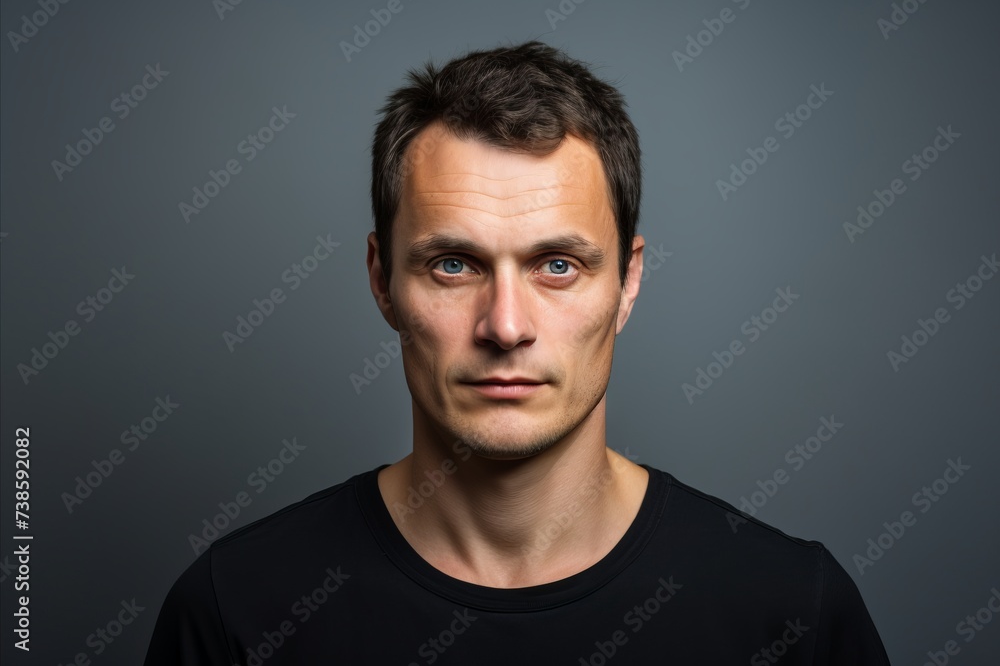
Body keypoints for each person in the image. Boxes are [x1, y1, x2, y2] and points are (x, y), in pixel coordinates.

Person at [144, 41, 891, 665]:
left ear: (628, 282)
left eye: (557, 265)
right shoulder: (235, 611)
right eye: (454, 264)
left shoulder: (793, 614)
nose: (505, 326)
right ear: (381, 280)